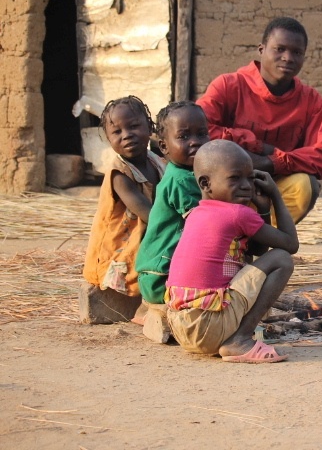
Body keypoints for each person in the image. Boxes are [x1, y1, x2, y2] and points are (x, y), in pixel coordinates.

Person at [196, 16, 322, 224]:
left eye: (297, 52)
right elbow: (199, 132)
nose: (288, 58)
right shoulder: (229, 86)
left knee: (305, 185)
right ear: (261, 49)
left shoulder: (311, 102)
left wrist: (272, 162)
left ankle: (264, 241)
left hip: (269, 187)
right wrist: (250, 148)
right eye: (279, 49)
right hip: (223, 186)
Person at [165, 140, 298, 362]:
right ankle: (240, 339)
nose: (246, 185)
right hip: (210, 326)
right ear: (206, 184)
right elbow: (290, 245)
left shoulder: (196, 213)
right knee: (282, 259)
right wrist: (276, 197)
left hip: (181, 327)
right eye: (235, 178)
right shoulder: (237, 214)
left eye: (249, 177)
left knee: (248, 262)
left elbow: (257, 250)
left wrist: (263, 209)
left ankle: (234, 336)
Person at [81, 96, 165, 324]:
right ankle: (145, 307)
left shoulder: (156, 160)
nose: (126, 134)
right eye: (117, 131)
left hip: (151, 232)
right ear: (108, 139)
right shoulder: (120, 175)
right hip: (124, 245)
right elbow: (151, 216)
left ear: (150, 127)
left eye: (134, 126)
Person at [135, 101, 211, 305]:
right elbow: (205, 226)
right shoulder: (180, 180)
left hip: (160, 274)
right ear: (164, 147)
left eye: (202, 134)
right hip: (162, 277)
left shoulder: (192, 173)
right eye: (184, 136)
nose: (195, 142)